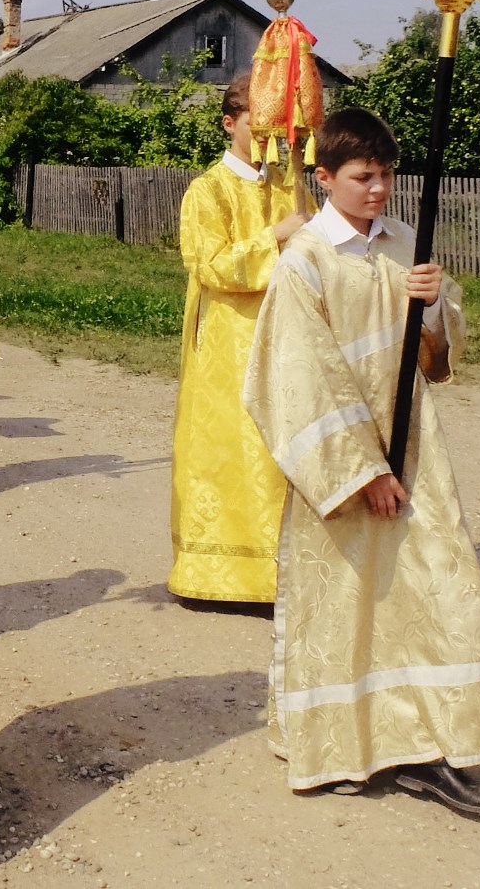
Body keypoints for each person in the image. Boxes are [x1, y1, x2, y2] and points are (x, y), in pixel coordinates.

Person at [243, 107, 480, 814]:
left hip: (416, 453)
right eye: (364, 176)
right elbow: (299, 377)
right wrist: (364, 472)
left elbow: (435, 356)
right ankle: (346, 743)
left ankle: (431, 741)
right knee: (348, 605)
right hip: (346, 468)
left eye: (388, 174)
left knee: (440, 587)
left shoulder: (405, 244)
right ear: (325, 177)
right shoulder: (305, 262)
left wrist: (433, 308)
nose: (380, 189)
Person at [169, 73, 309, 604]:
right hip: (228, 341)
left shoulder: (289, 187)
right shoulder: (207, 190)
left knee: (280, 450)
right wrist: (277, 236)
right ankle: (213, 574)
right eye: (258, 123)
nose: (268, 135)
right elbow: (211, 264)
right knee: (229, 449)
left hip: (287, 335)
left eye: (276, 125)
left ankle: (283, 572)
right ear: (231, 123)